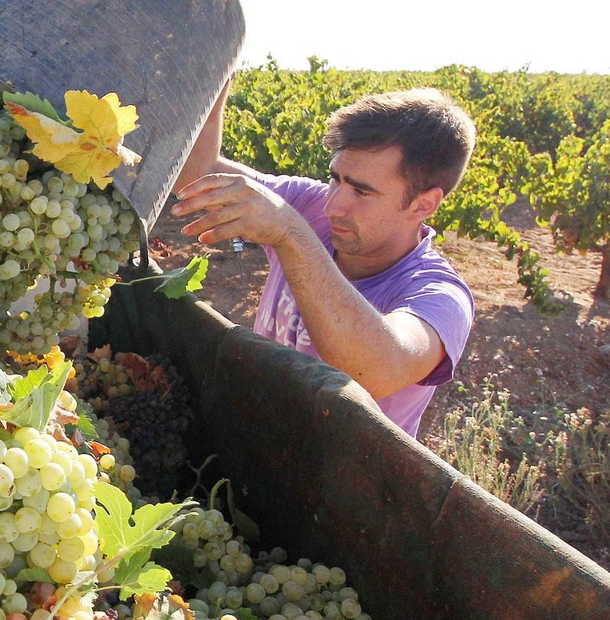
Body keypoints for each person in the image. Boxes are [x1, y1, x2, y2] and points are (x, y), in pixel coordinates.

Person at [170, 86, 476, 438]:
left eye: (362, 192)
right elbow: (198, 173)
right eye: (335, 179)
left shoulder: (440, 296)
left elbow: (375, 370)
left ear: (423, 205)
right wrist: (218, 73)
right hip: (251, 439)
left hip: (335, 485)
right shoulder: (311, 206)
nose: (333, 206)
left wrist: (290, 233)